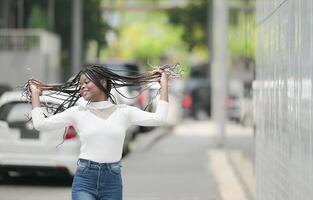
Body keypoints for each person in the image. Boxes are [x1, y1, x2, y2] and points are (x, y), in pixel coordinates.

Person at [27, 64, 170, 200]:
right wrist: (35, 94)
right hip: (85, 179)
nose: (82, 86)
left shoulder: (124, 112)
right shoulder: (77, 112)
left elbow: (159, 119)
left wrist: (163, 84)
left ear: (102, 82)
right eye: (81, 83)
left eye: (87, 82)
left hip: (112, 181)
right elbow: (41, 124)